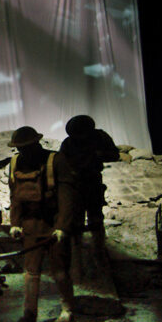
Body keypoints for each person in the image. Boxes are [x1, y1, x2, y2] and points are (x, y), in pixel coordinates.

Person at [6, 125, 79, 322]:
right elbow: (15, 196)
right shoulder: (15, 163)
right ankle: (29, 316)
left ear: (36, 143)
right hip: (30, 225)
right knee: (30, 272)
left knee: (59, 270)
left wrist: (62, 227)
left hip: (54, 223)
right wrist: (15, 223)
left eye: (27, 147)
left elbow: (67, 197)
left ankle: (68, 309)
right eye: (20, 148)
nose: (24, 151)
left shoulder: (55, 161)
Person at [58, 114, 121, 273]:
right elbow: (62, 162)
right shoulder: (69, 142)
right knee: (76, 220)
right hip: (76, 185)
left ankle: (99, 252)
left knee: (96, 219)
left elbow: (114, 154)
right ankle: (77, 255)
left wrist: (98, 155)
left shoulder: (99, 137)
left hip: (92, 182)